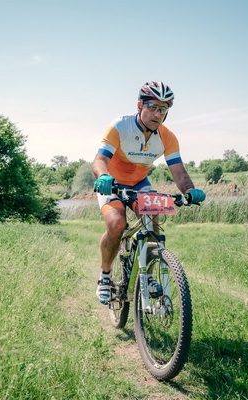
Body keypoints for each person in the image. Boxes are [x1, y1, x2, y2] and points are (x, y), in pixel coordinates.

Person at [91, 81, 206, 305]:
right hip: (111, 183)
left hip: (139, 183)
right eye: (152, 107)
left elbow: (179, 172)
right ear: (139, 106)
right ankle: (105, 276)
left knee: (152, 219)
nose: (157, 114)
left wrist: (190, 191)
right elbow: (99, 160)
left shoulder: (167, 137)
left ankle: (149, 275)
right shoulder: (120, 126)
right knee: (116, 224)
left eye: (163, 109)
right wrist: (103, 176)